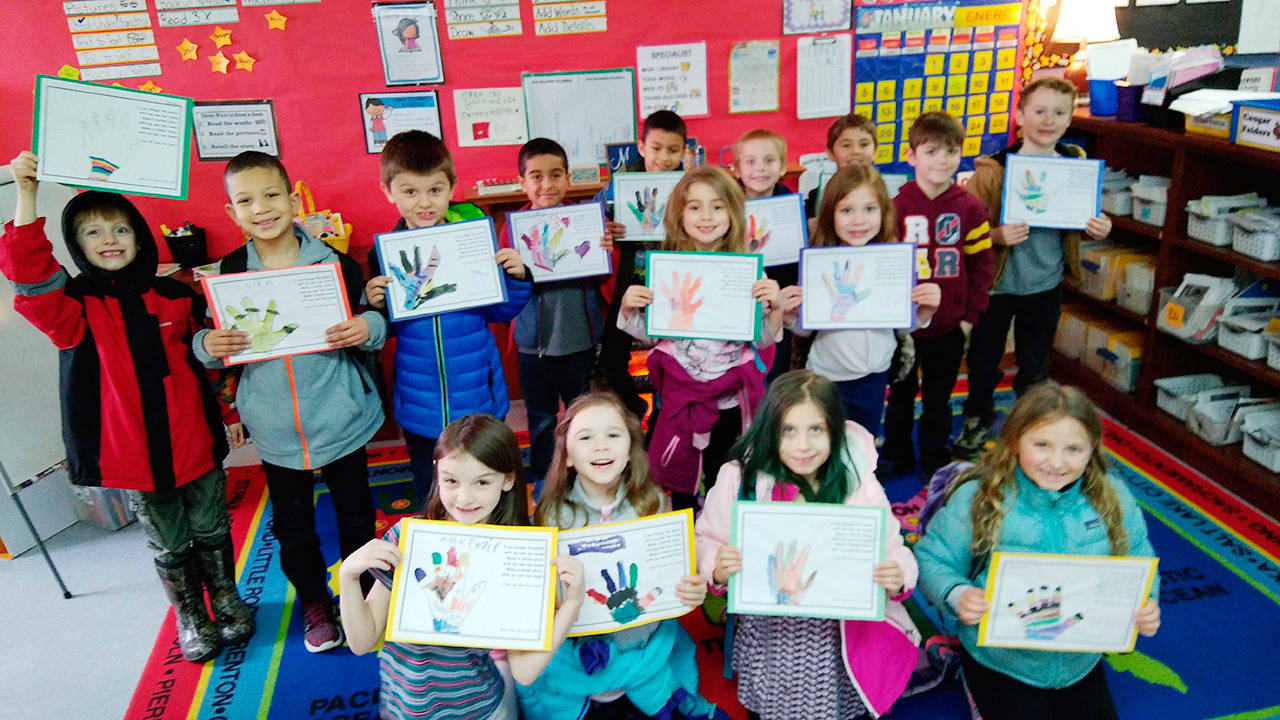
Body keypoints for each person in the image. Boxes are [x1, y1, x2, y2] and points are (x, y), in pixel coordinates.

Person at [1, 150, 253, 663]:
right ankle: (191, 614)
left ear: (139, 236)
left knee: (211, 526)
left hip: (193, 439)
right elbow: (27, 273)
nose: (109, 240)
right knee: (169, 541)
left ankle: (226, 598)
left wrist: (229, 414)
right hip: (133, 452)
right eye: (93, 233)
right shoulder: (72, 307)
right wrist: (26, 193)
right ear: (77, 244)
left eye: (119, 228)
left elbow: (207, 360)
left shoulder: (175, 296)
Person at [195, 150, 385, 653]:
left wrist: (368, 327)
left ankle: (363, 593)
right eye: (246, 200)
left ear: (294, 199)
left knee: (356, 518)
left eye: (272, 194)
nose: (262, 208)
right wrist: (207, 346)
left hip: (340, 416)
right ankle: (314, 601)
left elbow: (374, 322)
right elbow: (210, 344)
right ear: (232, 212)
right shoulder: (228, 272)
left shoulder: (336, 264)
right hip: (276, 428)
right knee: (295, 530)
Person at [914, 382, 1161, 720]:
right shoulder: (981, 497)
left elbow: (1138, 556)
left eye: (1073, 449)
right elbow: (931, 558)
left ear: (1092, 448)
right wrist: (957, 594)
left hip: (1079, 656)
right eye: (1041, 445)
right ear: (1016, 441)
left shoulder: (1112, 495)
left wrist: (1146, 601)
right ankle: (970, 679)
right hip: (1000, 658)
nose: (1056, 462)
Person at [693, 369, 921, 719]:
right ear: (771, 430)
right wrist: (716, 567)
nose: (802, 445)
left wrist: (899, 573)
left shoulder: (857, 482)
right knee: (769, 706)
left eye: (816, 429)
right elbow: (708, 537)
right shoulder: (740, 479)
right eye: (789, 430)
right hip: (771, 637)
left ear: (835, 429)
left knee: (836, 706)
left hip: (836, 637)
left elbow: (892, 547)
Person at [339, 414, 586, 720]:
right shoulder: (407, 539)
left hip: (480, 710)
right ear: (436, 473)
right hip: (402, 709)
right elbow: (363, 642)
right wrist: (348, 577)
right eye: (451, 480)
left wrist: (572, 604)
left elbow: (523, 671)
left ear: (508, 480)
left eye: (482, 482)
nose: (464, 498)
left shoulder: (518, 553)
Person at [519, 392, 724, 720]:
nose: (601, 446)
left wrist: (691, 589)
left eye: (613, 435)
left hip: (643, 645)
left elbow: (671, 578)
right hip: (580, 654)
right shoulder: (553, 515)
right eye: (586, 437)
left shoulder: (653, 502)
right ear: (568, 456)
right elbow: (545, 598)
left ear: (630, 450)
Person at [364, 130, 531, 503]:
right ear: (388, 191)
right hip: (418, 399)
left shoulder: (471, 242)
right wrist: (375, 304)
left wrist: (517, 278)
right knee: (433, 488)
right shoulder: (385, 255)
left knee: (488, 481)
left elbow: (500, 311)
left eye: (435, 190)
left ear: (451, 187)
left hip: (478, 395)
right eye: (410, 192)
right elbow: (387, 329)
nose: (424, 202)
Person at [954, 78, 1113, 460]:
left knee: (1036, 362)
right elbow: (962, 228)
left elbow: (1086, 218)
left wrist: (1100, 226)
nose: (1048, 120)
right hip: (996, 284)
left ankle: (1032, 427)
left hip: (1045, 282)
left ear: (1069, 119)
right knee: (983, 359)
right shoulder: (994, 169)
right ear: (1020, 115)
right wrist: (995, 234)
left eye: (1059, 113)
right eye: (1038, 111)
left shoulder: (1075, 164)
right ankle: (977, 418)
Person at [616, 166, 784, 510]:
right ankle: (685, 536)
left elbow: (764, 341)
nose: (706, 216)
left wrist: (776, 307)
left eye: (717, 206)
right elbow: (651, 336)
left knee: (730, 475)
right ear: (679, 214)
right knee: (681, 477)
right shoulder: (666, 267)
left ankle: (725, 537)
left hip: (731, 399)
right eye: (695, 207)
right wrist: (630, 308)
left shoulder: (749, 269)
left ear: (733, 213)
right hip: (681, 398)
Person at [779, 163, 941, 440]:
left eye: (869, 209)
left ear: (883, 212)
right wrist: (790, 315)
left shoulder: (892, 264)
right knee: (824, 446)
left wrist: (924, 312)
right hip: (826, 376)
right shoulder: (820, 263)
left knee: (863, 447)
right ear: (831, 215)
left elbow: (900, 327)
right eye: (846, 210)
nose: (858, 220)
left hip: (874, 377)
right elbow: (808, 329)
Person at [882, 112, 993, 480]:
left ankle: (933, 457)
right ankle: (896, 454)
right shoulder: (895, 208)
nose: (942, 160)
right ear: (912, 156)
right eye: (931, 151)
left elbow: (980, 266)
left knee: (938, 400)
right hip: (904, 327)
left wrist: (967, 318)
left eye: (950, 151)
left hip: (949, 326)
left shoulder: (970, 207)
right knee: (899, 396)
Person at [498, 138, 611, 488]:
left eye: (555, 175)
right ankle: (545, 477)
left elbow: (604, 276)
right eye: (536, 176)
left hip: (580, 339)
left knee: (581, 415)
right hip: (534, 344)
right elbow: (505, 288)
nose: (546, 185)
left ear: (568, 178)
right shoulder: (513, 227)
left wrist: (607, 249)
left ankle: (581, 474)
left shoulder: (587, 220)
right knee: (542, 416)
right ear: (523, 182)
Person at [596, 110, 689, 423]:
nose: (664, 157)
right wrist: (606, 229)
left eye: (673, 150)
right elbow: (594, 232)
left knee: (670, 353)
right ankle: (633, 407)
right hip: (625, 285)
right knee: (612, 356)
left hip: (672, 286)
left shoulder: (690, 186)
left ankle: (665, 412)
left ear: (684, 151)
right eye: (657, 147)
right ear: (641, 146)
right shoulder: (616, 189)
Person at [731, 128, 798, 384]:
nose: (760, 169)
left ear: (782, 166)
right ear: (737, 169)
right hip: (742, 302)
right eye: (750, 162)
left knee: (775, 369)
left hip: (779, 304)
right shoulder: (728, 205)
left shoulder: (789, 204)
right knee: (742, 368)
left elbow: (795, 259)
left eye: (769, 161)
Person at [804, 113, 878, 220]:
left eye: (864, 144)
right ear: (830, 153)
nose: (855, 151)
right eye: (846, 145)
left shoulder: (887, 194)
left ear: (875, 151)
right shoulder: (817, 198)